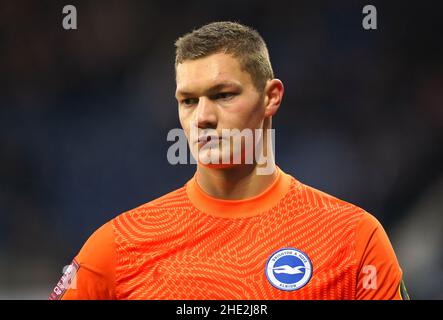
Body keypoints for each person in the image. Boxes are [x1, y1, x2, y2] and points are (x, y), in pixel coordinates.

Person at [49, 21, 409, 300]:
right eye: (188, 101)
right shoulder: (119, 245)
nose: (203, 116)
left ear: (271, 97)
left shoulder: (352, 239)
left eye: (223, 95)